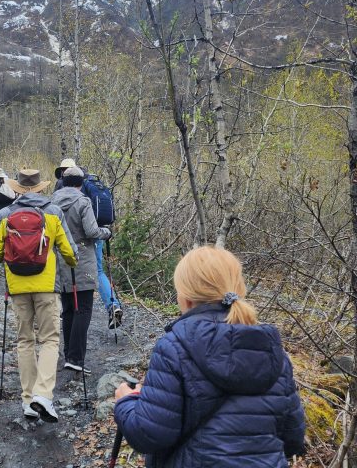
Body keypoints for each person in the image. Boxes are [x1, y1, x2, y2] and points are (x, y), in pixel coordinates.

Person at [113, 246, 305, 467]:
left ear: (185, 299)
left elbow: (149, 435)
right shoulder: (273, 352)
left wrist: (125, 402)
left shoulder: (173, 347)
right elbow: (292, 440)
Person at [0, 169, 77, 422]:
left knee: (24, 341)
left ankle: (28, 400)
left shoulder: (5, 214)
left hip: (17, 288)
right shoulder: (53, 213)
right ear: (40, 188)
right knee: (49, 340)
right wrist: (67, 262)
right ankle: (43, 395)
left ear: (17, 188)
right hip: (47, 286)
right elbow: (70, 252)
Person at [51, 167, 111, 373]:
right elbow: (92, 231)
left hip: (60, 258)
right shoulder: (83, 201)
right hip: (82, 258)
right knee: (83, 308)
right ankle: (76, 359)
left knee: (67, 308)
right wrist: (107, 232)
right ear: (81, 182)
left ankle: (69, 354)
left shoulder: (52, 202)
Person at [54, 158, 122, 328]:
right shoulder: (89, 182)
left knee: (63, 268)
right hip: (96, 234)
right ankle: (113, 304)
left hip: (72, 238)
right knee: (98, 271)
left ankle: (66, 307)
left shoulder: (61, 189)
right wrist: (105, 233)